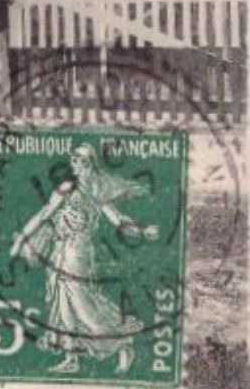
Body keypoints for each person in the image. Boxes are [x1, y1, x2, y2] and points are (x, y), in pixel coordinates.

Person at [9, 144, 158, 376]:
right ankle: (72, 358)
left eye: (79, 159)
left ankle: (122, 345)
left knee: (83, 303)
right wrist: (21, 240)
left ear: (89, 164)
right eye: (73, 158)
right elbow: (44, 213)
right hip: (60, 249)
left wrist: (141, 230)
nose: (74, 162)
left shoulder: (97, 192)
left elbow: (118, 219)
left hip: (79, 252)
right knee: (63, 304)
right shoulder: (66, 188)